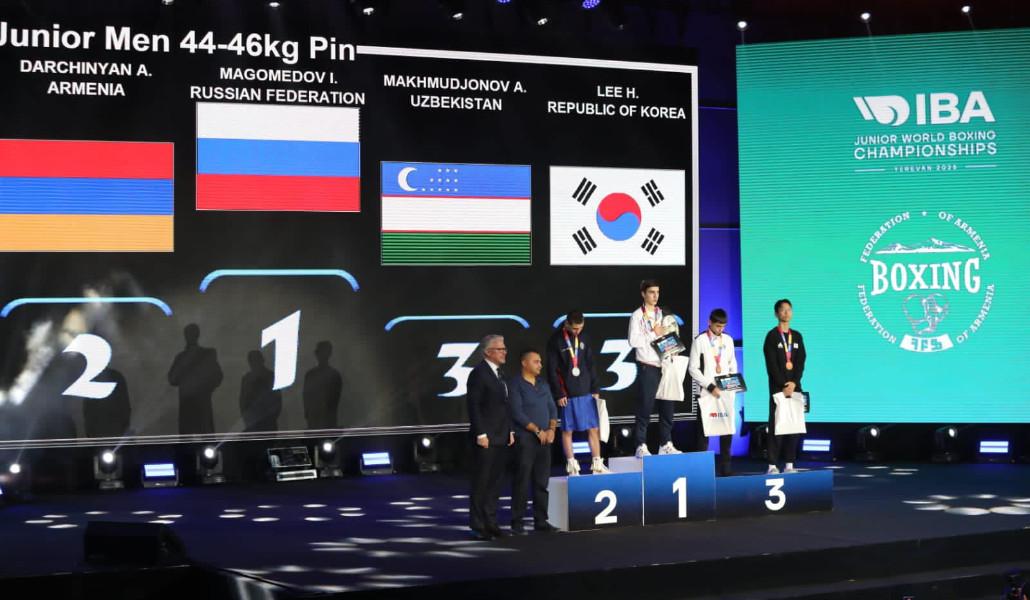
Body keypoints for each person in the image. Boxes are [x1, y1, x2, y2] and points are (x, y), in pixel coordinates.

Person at [546, 311, 608, 476]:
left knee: (593, 428)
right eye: (574, 328)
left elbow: (591, 364)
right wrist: (559, 393)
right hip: (568, 392)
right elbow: (552, 370)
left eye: (580, 328)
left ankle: (597, 464)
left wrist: (595, 388)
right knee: (568, 430)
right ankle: (572, 466)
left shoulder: (584, 337)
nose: (577, 331)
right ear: (567, 323)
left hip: (586, 390)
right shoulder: (555, 340)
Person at [466, 334, 515, 540]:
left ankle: (491, 522)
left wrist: (510, 430)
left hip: (501, 435)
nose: (504, 352)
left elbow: (505, 405)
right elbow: (474, 406)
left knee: (495, 483)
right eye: (500, 349)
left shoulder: (500, 374)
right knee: (482, 482)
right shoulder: (478, 374)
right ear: (487, 352)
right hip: (486, 437)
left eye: (504, 348)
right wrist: (480, 433)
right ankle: (477, 526)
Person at [628, 279, 682, 457]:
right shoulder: (637, 315)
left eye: (657, 292)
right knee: (645, 407)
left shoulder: (663, 314)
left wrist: (674, 348)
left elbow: (670, 335)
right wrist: (653, 333)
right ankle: (640, 445)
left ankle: (665, 443)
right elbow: (633, 341)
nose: (655, 296)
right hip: (648, 366)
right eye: (651, 292)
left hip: (666, 366)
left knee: (667, 407)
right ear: (643, 294)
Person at [508, 349, 560, 534]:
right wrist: (537, 430)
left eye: (540, 361)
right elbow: (517, 412)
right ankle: (517, 522)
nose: (540, 365)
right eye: (536, 361)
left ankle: (541, 520)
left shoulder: (543, 384)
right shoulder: (515, 384)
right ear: (524, 363)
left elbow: (552, 409)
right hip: (526, 439)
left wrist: (551, 430)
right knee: (522, 481)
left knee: (541, 482)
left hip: (545, 439)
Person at [687, 308, 738, 476]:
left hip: (725, 393)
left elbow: (732, 364)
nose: (720, 329)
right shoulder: (700, 340)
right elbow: (693, 368)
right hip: (706, 393)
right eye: (717, 326)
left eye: (723, 326)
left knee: (727, 430)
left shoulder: (728, 340)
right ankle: (702, 471)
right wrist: (709, 386)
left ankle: (726, 467)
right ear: (709, 322)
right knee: (703, 433)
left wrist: (731, 385)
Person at [763, 299, 806, 474]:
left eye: (789, 309)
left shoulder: (797, 336)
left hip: (795, 388)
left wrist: (794, 382)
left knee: (794, 426)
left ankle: (789, 464)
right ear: (776, 314)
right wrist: (783, 384)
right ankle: (772, 465)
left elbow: (801, 361)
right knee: (777, 426)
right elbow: (771, 365)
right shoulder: (772, 336)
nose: (786, 313)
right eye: (783, 310)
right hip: (778, 389)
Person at [168, 324, 223, 435]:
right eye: (188, 334)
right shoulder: (182, 357)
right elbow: (172, 379)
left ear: (196, 335)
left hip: (201, 405)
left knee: (204, 437)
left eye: (191, 334)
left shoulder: (207, 354)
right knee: (190, 438)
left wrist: (206, 388)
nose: (189, 336)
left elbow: (217, 376)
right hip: (188, 406)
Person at [303, 341, 343, 430]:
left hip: (326, 419)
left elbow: (335, 399)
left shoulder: (334, 375)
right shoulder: (311, 375)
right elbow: (306, 397)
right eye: (320, 352)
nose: (322, 355)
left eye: (324, 352)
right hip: (317, 419)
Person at [238, 350, 282, 432]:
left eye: (256, 360)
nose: (254, 363)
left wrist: (271, 419)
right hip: (253, 424)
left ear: (262, 360)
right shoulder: (246, 379)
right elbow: (242, 401)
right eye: (252, 361)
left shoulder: (271, 377)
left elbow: (277, 402)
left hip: (268, 423)